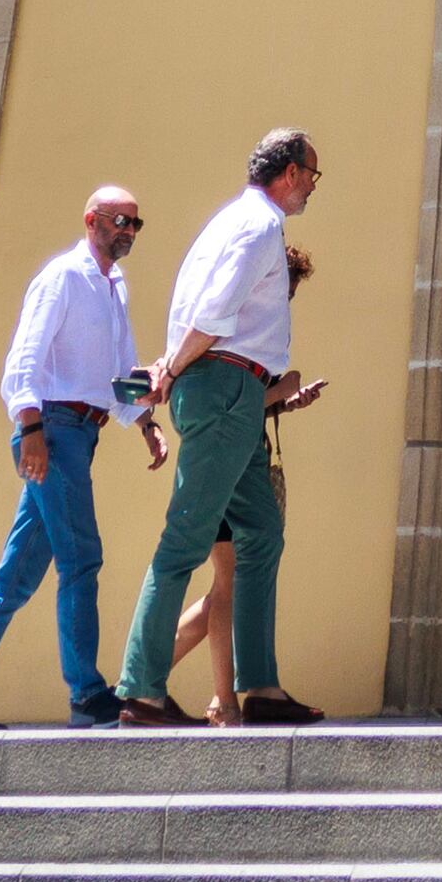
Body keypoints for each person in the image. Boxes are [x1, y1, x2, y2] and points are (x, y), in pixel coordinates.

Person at [0, 182, 165, 729]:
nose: (127, 231)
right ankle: (86, 694)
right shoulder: (62, 277)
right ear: (91, 220)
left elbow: (119, 373)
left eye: (135, 223)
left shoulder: (114, 286)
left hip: (79, 431)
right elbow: (23, 360)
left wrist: (145, 421)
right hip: (52, 430)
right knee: (82, 557)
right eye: (118, 221)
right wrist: (29, 427)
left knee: (15, 577)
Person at [114, 127, 324, 729]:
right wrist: (172, 367)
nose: (311, 186)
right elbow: (212, 313)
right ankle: (141, 690)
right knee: (185, 539)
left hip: (225, 389)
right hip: (226, 387)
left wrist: (173, 370)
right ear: (288, 172)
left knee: (259, 532)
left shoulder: (230, 222)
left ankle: (258, 687)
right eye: (310, 174)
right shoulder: (258, 226)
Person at [170, 245, 327, 722]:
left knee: (227, 585)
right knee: (229, 581)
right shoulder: (236, 326)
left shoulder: (261, 330)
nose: (287, 299)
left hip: (238, 455)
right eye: (285, 289)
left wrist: (282, 400)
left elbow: (252, 400)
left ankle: (155, 686)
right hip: (230, 459)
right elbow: (237, 399)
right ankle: (210, 698)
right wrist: (279, 391)